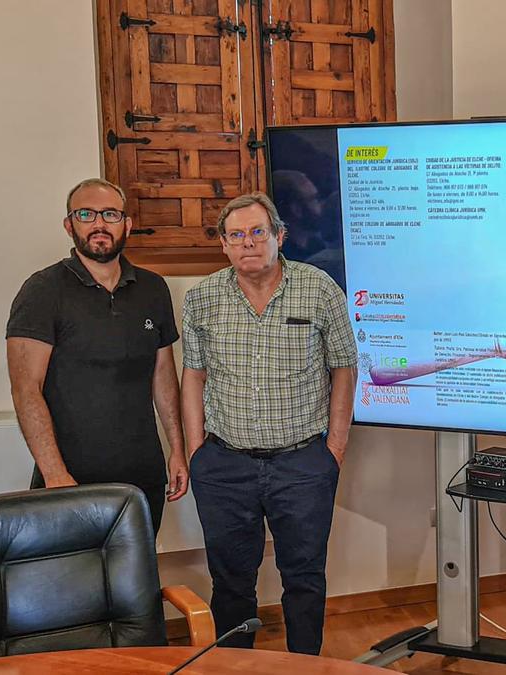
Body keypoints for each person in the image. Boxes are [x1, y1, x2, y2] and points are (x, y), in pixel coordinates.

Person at [181, 192, 358, 655]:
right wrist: (196, 449)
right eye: (236, 235)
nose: (248, 243)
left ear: (279, 236)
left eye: (258, 232)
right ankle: (235, 668)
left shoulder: (318, 289)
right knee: (231, 581)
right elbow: (194, 374)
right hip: (223, 465)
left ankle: (305, 667)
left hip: (302, 465)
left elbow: (344, 367)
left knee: (303, 578)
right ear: (223, 245)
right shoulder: (201, 298)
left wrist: (334, 447)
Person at [6, 177, 187, 536]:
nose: (99, 224)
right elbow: (26, 388)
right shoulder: (42, 290)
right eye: (86, 214)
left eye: (110, 214)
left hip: (142, 477)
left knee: (135, 580)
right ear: (69, 224)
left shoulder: (153, 288)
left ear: (127, 224)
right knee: (69, 586)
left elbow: (163, 374)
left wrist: (177, 449)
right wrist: (55, 474)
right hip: (69, 478)